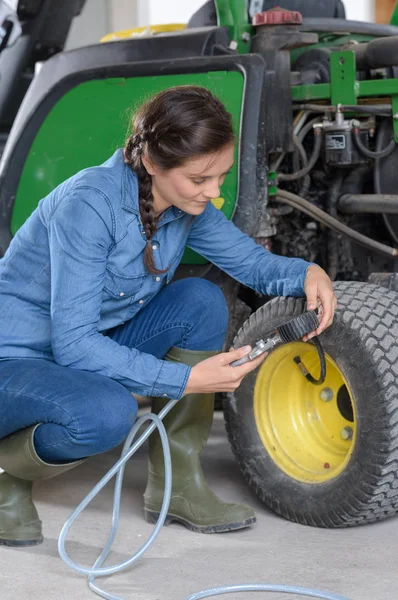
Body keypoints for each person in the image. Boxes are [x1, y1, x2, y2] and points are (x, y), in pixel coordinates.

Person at [0, 85, 336, 546]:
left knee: (199, 299)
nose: (215, 191)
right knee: (105, 413)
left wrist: (308, 273)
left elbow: (252, 263)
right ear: (154, 164)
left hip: (82, 349)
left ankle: (177, 485)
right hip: (15, 364)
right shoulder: (89, 204)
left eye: (220, 175)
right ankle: (6, 475)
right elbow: (74, 344)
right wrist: (186, 380)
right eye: (200, 179)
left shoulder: (184, 203)